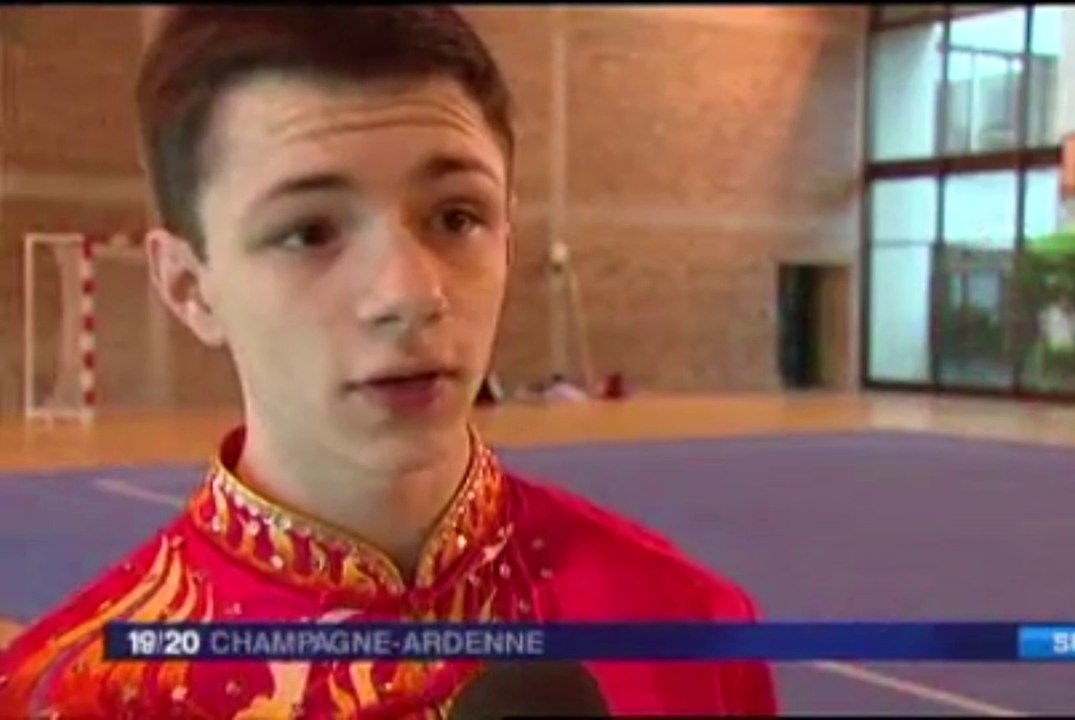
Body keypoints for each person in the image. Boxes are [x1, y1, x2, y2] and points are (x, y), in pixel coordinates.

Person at [0, 8, 777, 717]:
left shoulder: (689, 630)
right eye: (309, 232)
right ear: (189, 288)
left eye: (456, 217)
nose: (409, 294)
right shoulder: (75, 696)